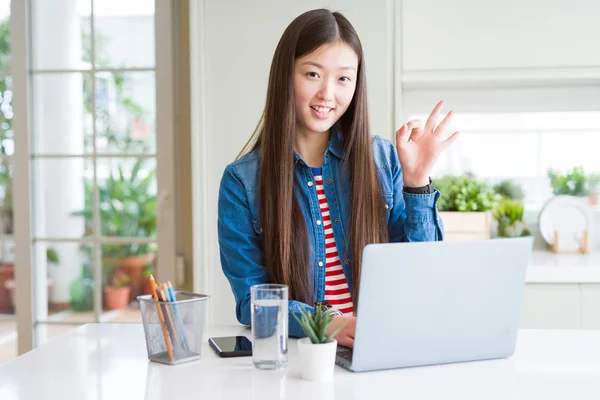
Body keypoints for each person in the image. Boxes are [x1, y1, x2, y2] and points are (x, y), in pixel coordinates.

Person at [217, 8, 458, 348]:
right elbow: (252, 302)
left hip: (382, 345)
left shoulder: (381, 159)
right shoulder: (242, 182)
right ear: (285, 75)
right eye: (313, 74)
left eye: (343, 78)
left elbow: (422, 275)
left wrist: (417, 181)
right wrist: (326, 323)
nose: (327, 94)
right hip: (306, 355)